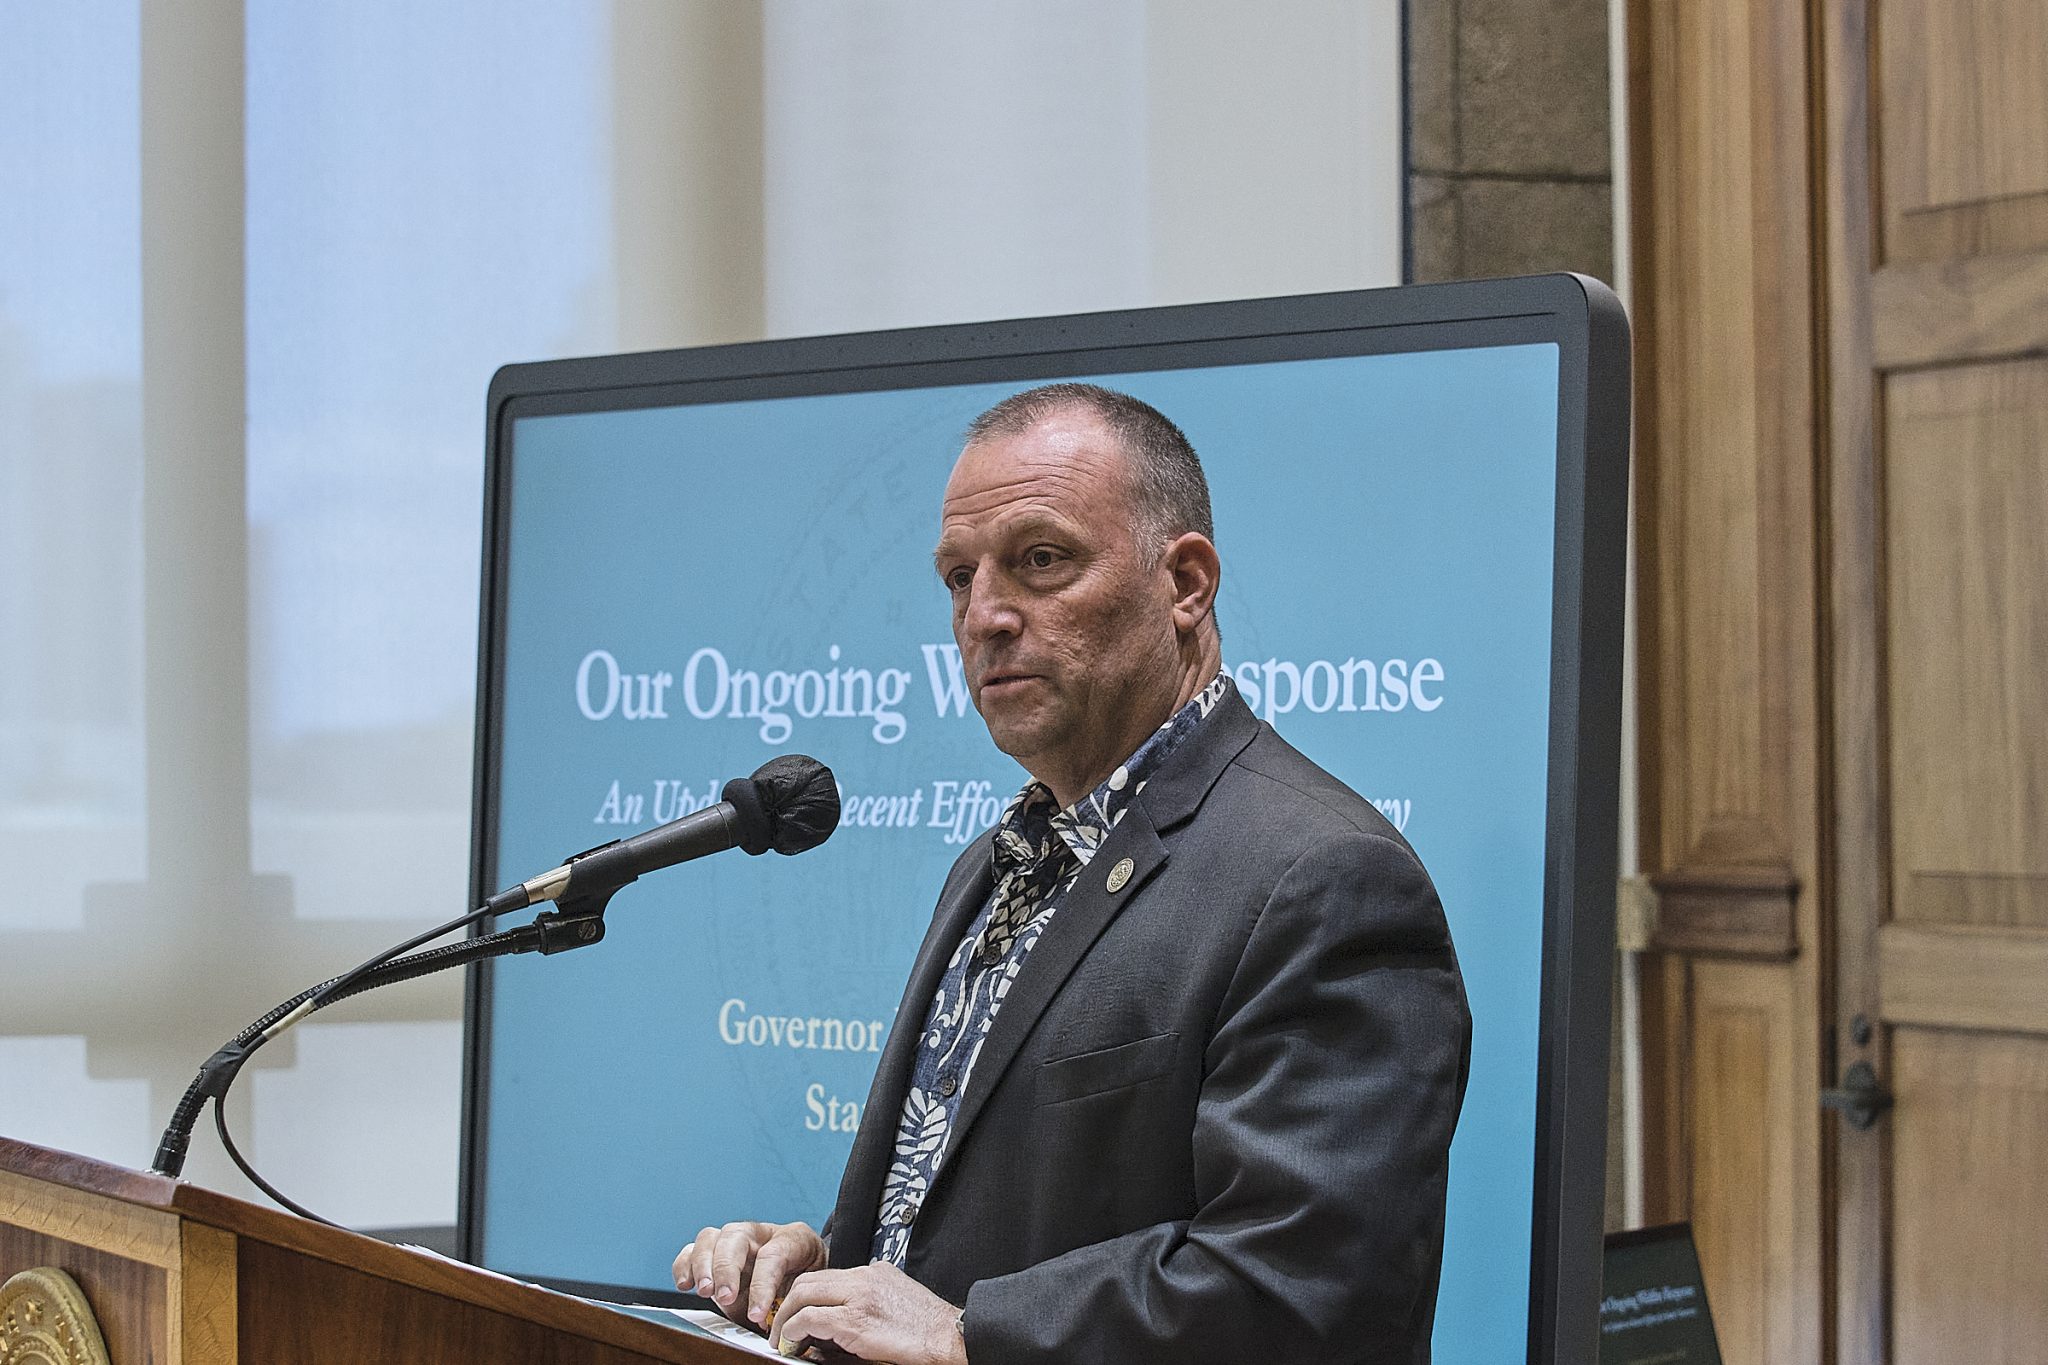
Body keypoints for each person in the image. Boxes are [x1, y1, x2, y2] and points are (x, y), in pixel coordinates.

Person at [675, 383, 1471, 1364]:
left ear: (1184, 584)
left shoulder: (1323, 878)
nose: (984, 616)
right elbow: (998, 1223)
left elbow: (1302, 1289)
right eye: (958, 578)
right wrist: (826, 1272)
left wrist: (970, 1338)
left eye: (1038, 561)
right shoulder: (1001, 858)